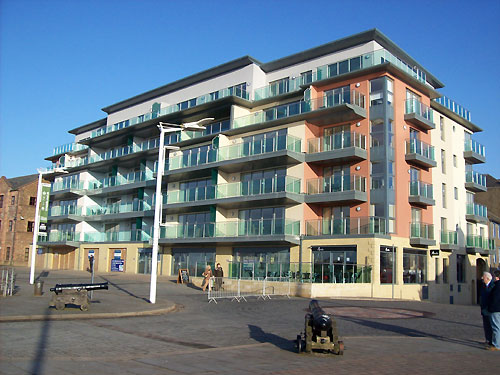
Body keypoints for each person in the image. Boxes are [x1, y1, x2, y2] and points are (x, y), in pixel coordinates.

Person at [480, 272, 494, 347]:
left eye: (484, 277)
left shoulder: (493, 286)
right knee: (486, 325)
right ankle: (488, 339)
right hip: (484, 309)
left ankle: (492, 340)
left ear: (488, 278)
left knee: (492, 325)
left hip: (490, 309)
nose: (482, 278)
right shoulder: (483, 286)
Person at [487, 269, 500, 351]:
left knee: (496, 327)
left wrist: (490, 307)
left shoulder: (497, 286)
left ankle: (496, 345)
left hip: (495, 309)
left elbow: (495, 298)